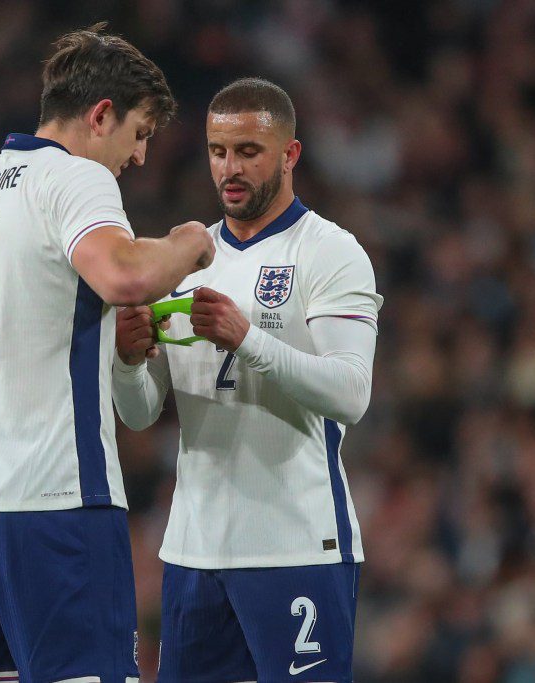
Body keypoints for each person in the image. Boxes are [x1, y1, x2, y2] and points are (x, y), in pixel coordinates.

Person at [0, 24, 214, 683]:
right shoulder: (74, 179)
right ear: (100, 115)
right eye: (138, 134)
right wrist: (189, 243)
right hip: (53, 500)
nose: (139, 157)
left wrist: (111, 340)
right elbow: (125, 273)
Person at [112, 77, 382, 682]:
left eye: (248, 152)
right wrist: (129, 363)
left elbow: (351, 393)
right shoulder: (184, 256)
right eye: (217, 151)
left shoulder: (330, 253)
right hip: (194, 550)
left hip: (295, 545)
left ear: (290, 154)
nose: (229, 168)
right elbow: (140, 412)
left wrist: (249, 339)